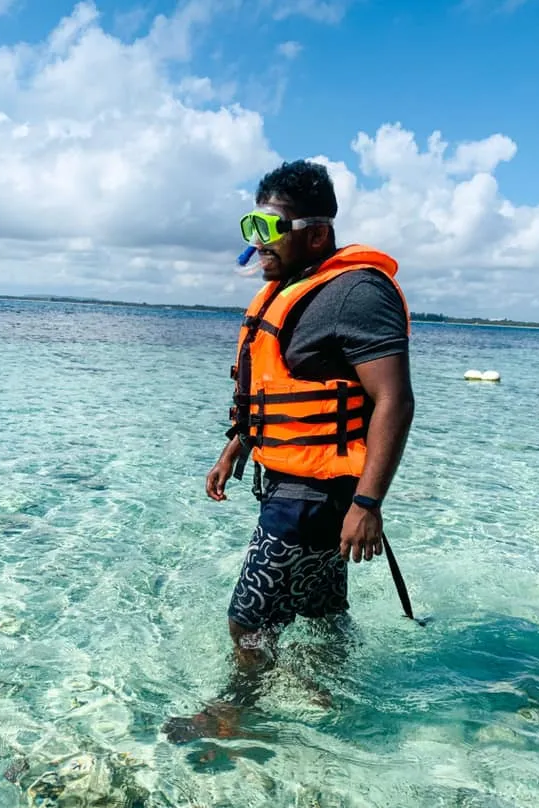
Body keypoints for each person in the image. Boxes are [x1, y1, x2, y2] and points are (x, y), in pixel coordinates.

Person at [164, 160, 414, 743]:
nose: (257, 243)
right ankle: (335, 697)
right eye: (250, 226)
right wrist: (235, 448)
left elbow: (394, 401)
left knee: (248, 620)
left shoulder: (357, 293)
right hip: (291, 484)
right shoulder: (287, 293)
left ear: (316, 234)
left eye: (269, 227)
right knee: (323, 613)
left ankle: (236, 713)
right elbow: (273, 395)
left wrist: (369, 503)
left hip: (319, 493)